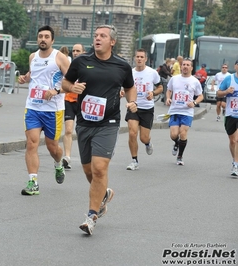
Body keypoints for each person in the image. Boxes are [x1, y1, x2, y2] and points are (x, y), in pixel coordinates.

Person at [61, 25, 137, 235]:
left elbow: (130, 87)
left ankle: (91, 215)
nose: (97, 39)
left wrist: (132, 102)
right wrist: (71, 88)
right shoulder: (81, 61)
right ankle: (103, 194)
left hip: (108, 123)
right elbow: (65, 81)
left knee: (99, 168)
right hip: (85, 122)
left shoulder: (122, 66)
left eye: (102, 36)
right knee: (88, 171)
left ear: (112, 41)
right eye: (95, 36)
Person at [17, 25, 70, 196]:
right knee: (31, 143)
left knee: (52, 147)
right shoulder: (33, 56)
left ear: (52, 40)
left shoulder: (60, 58)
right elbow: (34, 74)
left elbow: (72, 83)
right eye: (40, 36)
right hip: (32, 106)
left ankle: (58, 163)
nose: (43, 39)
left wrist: (55, 91)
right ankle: (33, 182)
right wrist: (25, 78)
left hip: (53, 110)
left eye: (47, 36)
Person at [124, 48, 163, 170]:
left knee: (143, 137)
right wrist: (123, 94)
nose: (139, 59)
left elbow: (160, 87)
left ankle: (147, 143)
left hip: (147, 108)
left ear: (146, 59)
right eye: (138, 57)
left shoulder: (152, 73)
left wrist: (153, 93)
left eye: (142, 57)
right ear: (134, 58)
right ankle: (134, 160)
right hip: (133, 106)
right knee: (132, 133)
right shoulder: (129, 73)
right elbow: (125, 89)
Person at [165, 58, 203, 166]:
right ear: (181, 67)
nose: (185, 66)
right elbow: (169, 90)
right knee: (173, 135)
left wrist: (194, 103)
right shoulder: (174, 79)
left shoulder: (195, 81)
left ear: (191, 68)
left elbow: (201, 96)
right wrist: (168, 98)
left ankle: (180, 156)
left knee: (183, 133)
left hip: (187, 112)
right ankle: (176, 143)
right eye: (183, 64)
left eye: (187, 65)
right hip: (175, 110)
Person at [62, 43, 85, 170]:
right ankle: (67, 157)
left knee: (82, 132)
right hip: (69, 101)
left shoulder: (87, 66)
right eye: (74, 51)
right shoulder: (68, 65)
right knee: (68, 130)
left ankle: (87, 157)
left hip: (83, 103)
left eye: (78, 51)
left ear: (83, 52)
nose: (75, 53)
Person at [217, 60, 238, 176]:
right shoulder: (229, 79)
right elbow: (218, 93)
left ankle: (236, 164)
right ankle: (234, 160)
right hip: (230, 114)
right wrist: (226, 91)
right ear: (235, 66)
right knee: (232, 141)